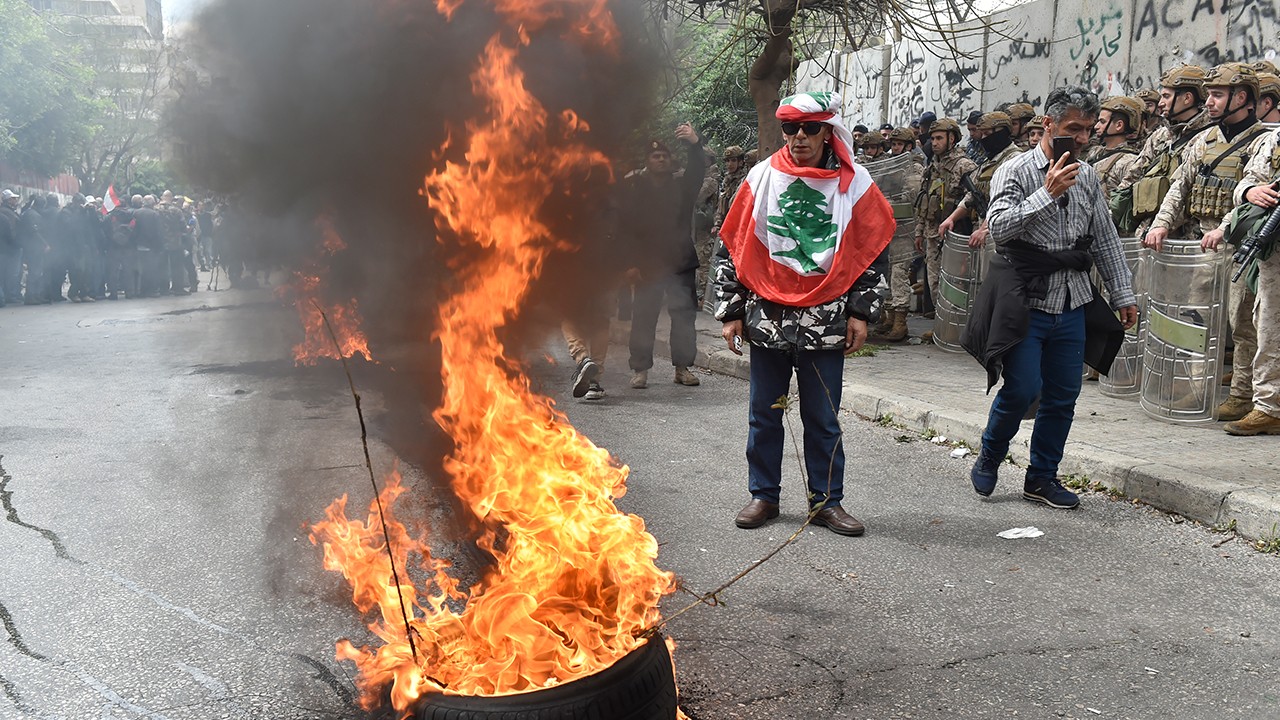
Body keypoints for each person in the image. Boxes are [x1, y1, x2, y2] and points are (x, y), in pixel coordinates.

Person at [714, 91, 894, 536]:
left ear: (828, 131)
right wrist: (731, 311)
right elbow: (734, 245)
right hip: (768, 318)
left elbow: (874, 250)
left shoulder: (855, 183)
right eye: (790, 128)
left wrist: (861, 312)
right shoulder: (761, 177)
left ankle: (827, 502)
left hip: (826, 320)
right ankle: (764, 495)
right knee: (764, 414)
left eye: (810, 128)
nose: (799, 137)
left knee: (823, 418)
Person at [967, 85, 1138, 509]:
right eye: (1073, 128)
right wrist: (1047, 193)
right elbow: (999, 228)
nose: (1081, 138)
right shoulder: (1015, 171)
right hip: (1026, 299)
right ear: (1048, 124)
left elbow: (1104, 238)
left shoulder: (1089, 175)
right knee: (1023, 388)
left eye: (1088, 130)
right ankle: (991, 452)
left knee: (1063, 396)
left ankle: (1041, 478)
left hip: (1073, 300)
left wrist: (1123, 294)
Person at [1145, 63, 1271, 422]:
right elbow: (1180, 187)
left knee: (1242, 324)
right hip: (1204, 243)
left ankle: (1242, 394)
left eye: (1217, 94)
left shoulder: (1263, 141)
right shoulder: (1203, 140)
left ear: (1242, 97)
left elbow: (1253, 193)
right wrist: (1161, 224)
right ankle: (1197, 388)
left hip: (1242, 246)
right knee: (1197, 319)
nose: (1209, 101)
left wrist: (1226, 229)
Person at [619, 125, 705, 389]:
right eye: (655, 156)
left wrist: (695, 145)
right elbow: (626, 229)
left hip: (680, 262)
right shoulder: (635, 188)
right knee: (644, 318)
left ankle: (682, 368)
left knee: (684, 316)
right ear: (647, 161)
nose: (660, 159)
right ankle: (640, 370)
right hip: (647, 265)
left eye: (664, 156)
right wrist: (629, 263)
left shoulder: (682, 185)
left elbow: (697, 172)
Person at [1215, 118, 1280, 435]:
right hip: (1274, 254)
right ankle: (1269, 407)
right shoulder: (1274, 140)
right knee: (1268, 326)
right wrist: (1252, 192)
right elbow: (1246, 182)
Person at [1113, 65, 1212, 237]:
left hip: (1188, 237)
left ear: (1187, 98)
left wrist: (1161, 225)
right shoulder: (1160, 137)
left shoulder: (1209, 137)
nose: (1160, 103)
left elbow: (1189, 191)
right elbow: (1132, 177)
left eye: (1166, 96)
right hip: (1150, 234)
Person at [913, 117, 978, 320]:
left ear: (952, 139)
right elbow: (923, 201)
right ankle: (942, 325)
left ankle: (957, 325)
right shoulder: (932, 167)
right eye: (932, 138)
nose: (934, 143)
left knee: (956, 284)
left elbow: (974, 197)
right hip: (933, 235)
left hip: (956, 235)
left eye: (939, 138)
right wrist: (919, 232)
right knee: (934, 283)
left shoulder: (964, 165)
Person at [939, 111, 1023, 250]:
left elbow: (1008, 202)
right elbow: (972, 194)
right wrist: (951, 218)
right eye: (982, 134)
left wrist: (985, 228)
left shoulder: (1015, 160)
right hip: (981, 235)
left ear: (1001, 133)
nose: (983, 139)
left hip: (1003, 237)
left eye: (987, 134)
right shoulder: (989, 160)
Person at [877, 127, 925, 342]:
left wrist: (890, 201)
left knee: (899, 273)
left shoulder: (913, 167)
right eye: (893, 144)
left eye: (899, 144)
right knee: (887, 272)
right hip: (887, 228)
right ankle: (889, 316)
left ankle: (900, 320)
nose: (895, 147)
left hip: (905, 229)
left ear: (908, 146)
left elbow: (913, 197)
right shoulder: (887, 166)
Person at [1083, 96, 1144, 202]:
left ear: (1119, 125)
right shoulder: (1095, 153)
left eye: (1102, 122)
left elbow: (1124, 203)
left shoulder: (1130, 162)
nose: (1096, 126)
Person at [18, 194, 48, 305]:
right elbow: (35, 232)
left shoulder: (30, 213)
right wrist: (45, 244)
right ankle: (31, 296)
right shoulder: (32, 215)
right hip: (33, 248)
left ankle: (35, 295)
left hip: (33, 247)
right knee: (34, 272)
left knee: (37, 272)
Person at [0, 190, 22, 307]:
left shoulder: (8, 211)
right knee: (12, 273)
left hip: (8, 247)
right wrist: (16, 243)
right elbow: (11, 232)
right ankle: (11, 295)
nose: (15, 200)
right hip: (10, 248)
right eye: (13, 198)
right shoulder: (6, 213)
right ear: (8, 200)